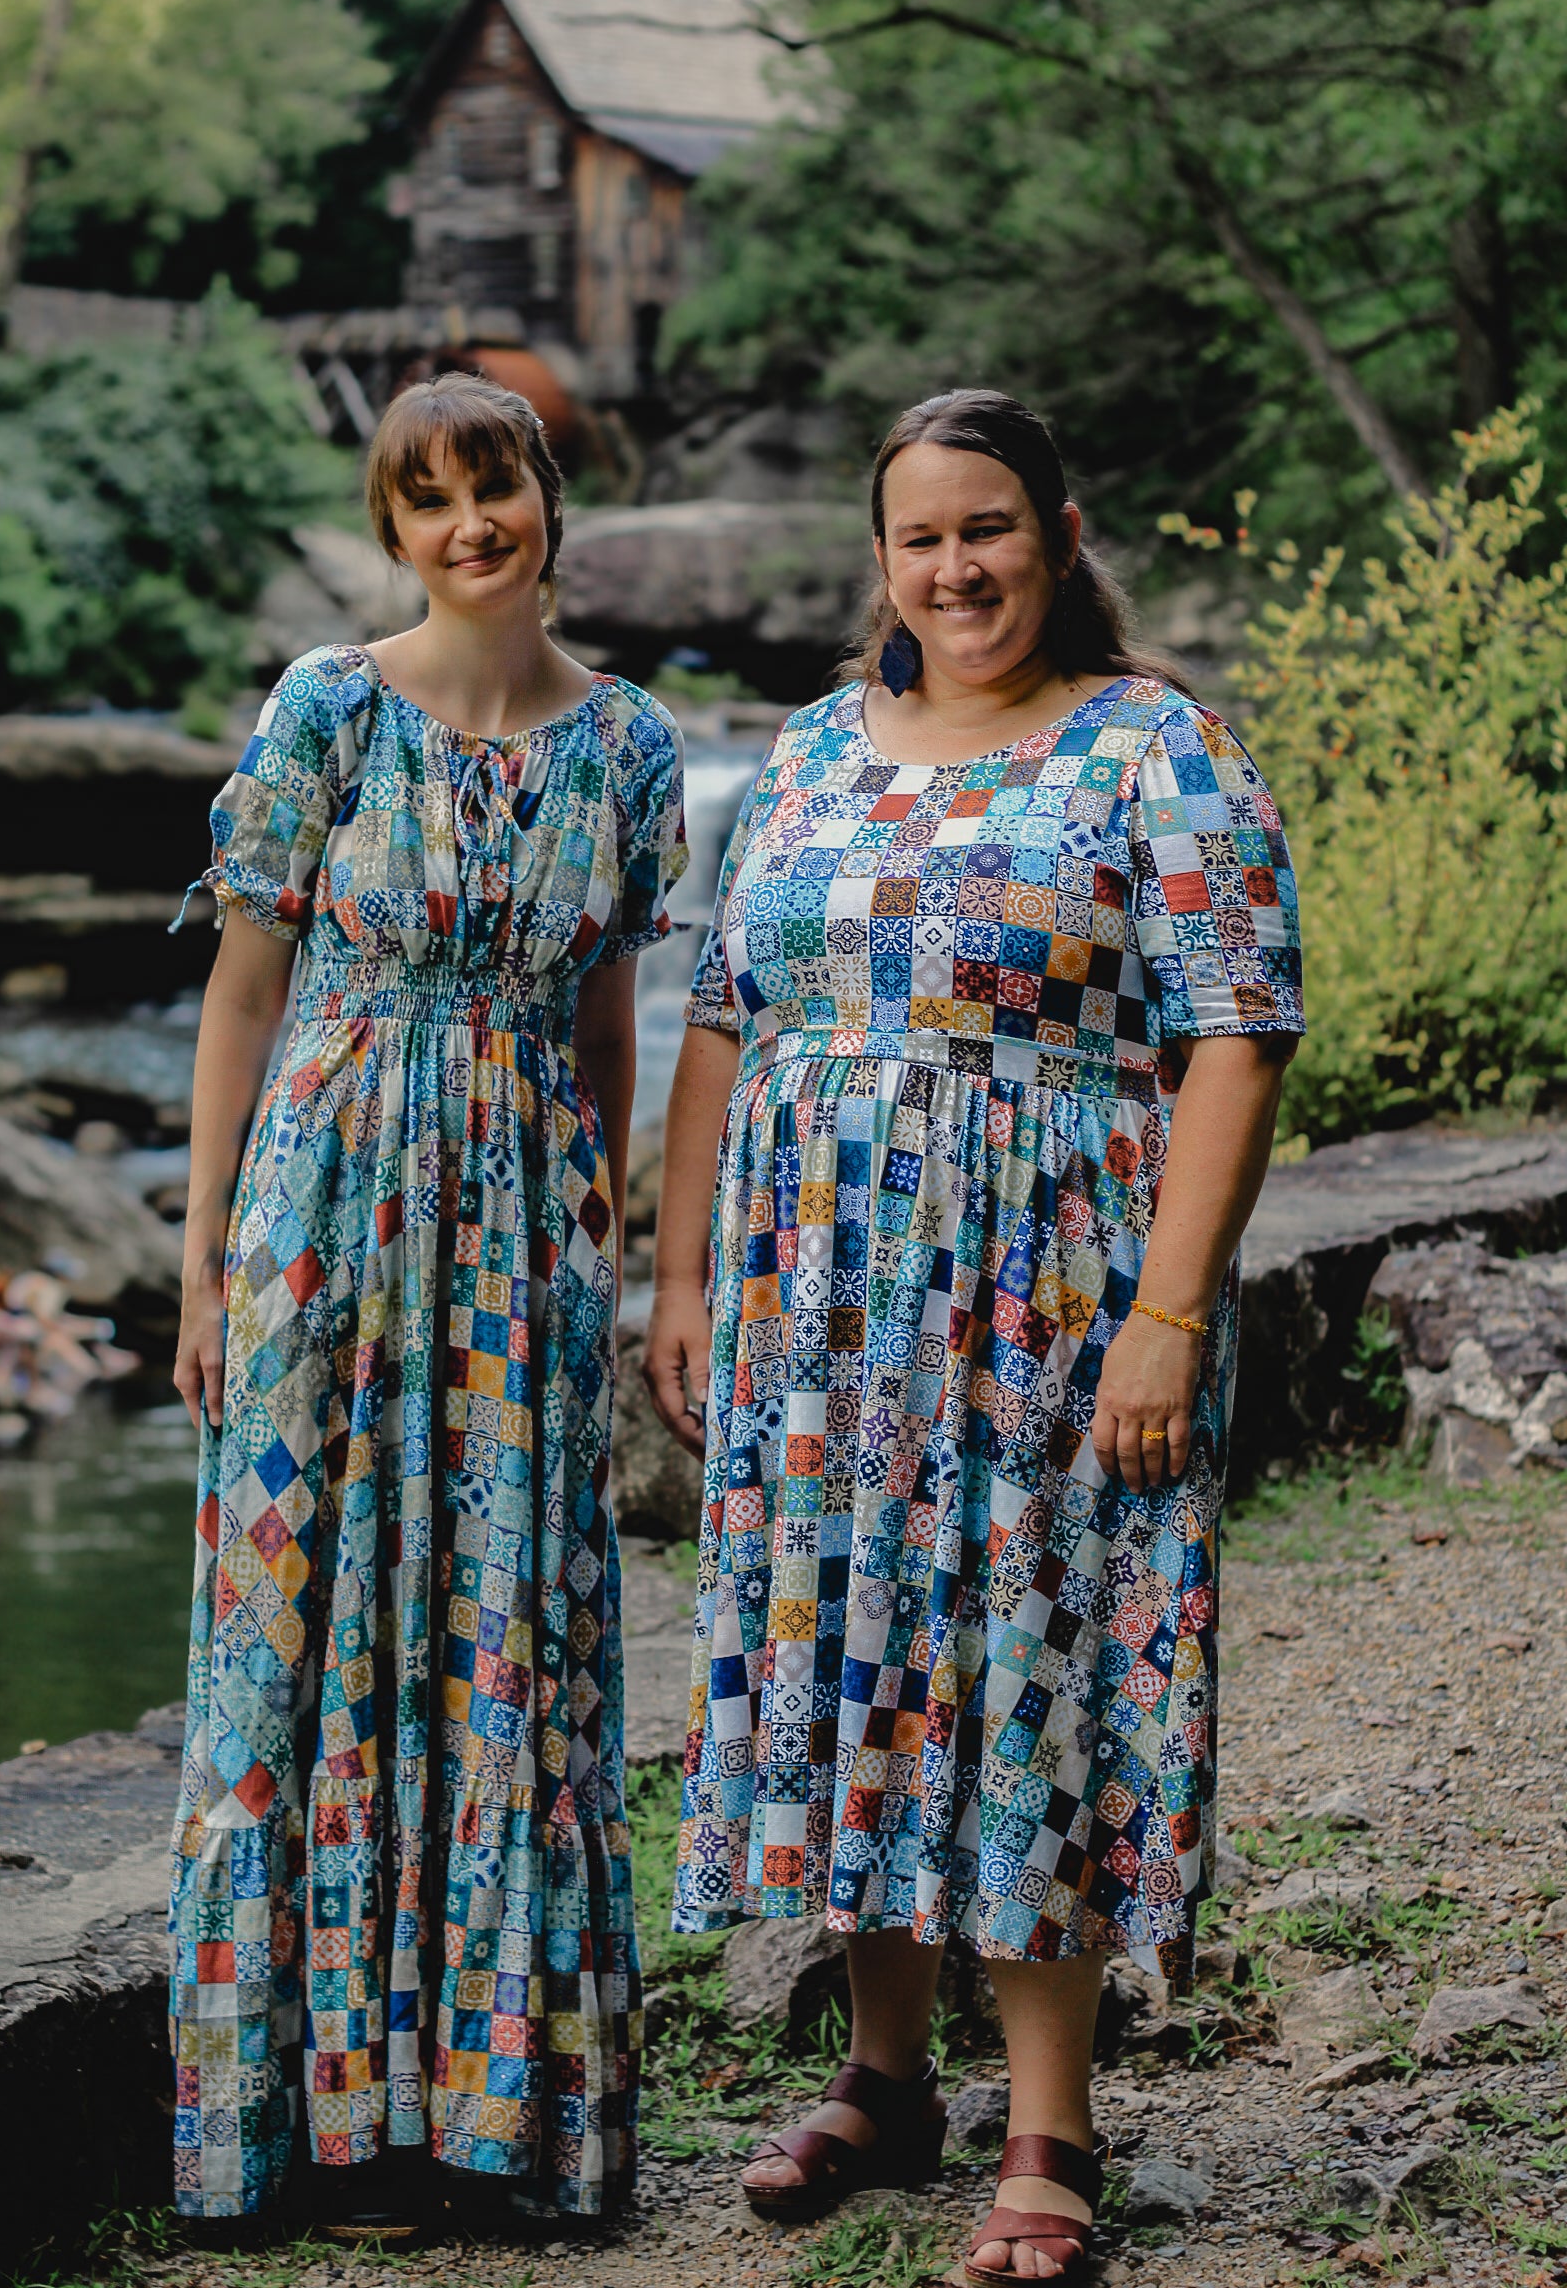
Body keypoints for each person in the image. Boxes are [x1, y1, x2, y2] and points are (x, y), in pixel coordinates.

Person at [643, 389, 1302, 2280]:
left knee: (1027, 1661)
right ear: (882, 564)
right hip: (815, 1306)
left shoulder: (1150, 746)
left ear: (1061, 532)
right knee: (860, 1645)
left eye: (990, 528)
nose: (959, 566)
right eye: (923, 537)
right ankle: (882, 2074)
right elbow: (718, 1025)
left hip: (1051, 1299)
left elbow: (1239, 1035)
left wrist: (1168, 1316)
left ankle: (1052, 2127)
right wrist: (682, 1282)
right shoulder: (809, 748)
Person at [168, 373, 686, 2224]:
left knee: (509, 1641)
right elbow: (241, 993)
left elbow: (615, 1010)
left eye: (500, 490)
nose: (471, 527)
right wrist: (208, 1252)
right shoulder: (326, 709)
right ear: (392, 529)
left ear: (552, 502)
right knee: (294, 1633)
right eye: (430, 501)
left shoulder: (628, 746)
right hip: (323, 1208)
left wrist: (604, 1238)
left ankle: (494, 2127)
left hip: (526, 1221)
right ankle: (300, 2131)